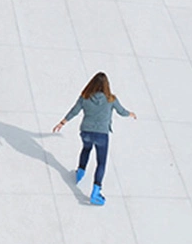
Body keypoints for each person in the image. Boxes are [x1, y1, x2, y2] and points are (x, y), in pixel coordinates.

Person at [53, 72, 136, 206]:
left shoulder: (85, 97)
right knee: (101, 163)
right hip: (101, 135)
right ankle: (96, 191)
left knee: (86, 149)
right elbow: (121, 112)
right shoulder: (111, 99)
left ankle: (80, 172)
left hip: (86, 131)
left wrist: (62, 123)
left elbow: (74, 111)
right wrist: (130, 114)